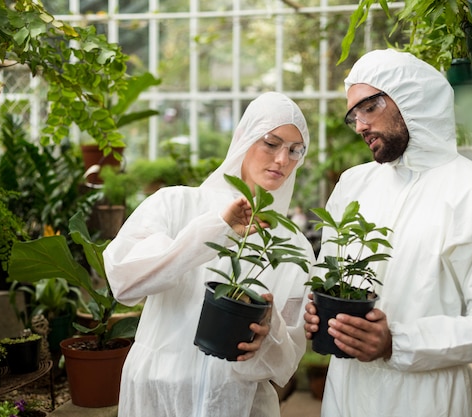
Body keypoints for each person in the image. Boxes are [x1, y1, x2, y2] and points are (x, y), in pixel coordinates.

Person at [303, 49, 472, 417]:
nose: (359, 125)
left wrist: (396, 342)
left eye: (369, 108)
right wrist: (314, 309)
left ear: (412, 98)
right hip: (346, 393)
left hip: (428, 400)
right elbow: (327, 275)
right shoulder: (354, 185)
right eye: (353, 115)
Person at [104, 92, 315, 417]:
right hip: (158, 397)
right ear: (244, 137)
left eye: (294, 150)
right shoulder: (175, 204)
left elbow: (286, 364)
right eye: (271, 143)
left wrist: (268, 332)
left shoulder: (294, 246)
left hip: (238, 405)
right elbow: (125, 282)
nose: (282, 160)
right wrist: (216, 230)